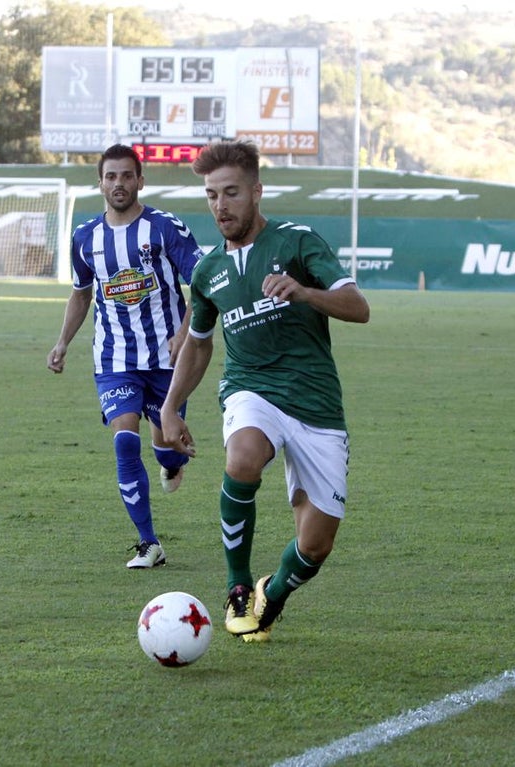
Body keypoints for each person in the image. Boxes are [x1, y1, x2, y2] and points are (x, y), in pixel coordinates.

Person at [160, 140, 370, 642]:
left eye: (231, 193)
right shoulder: (208, 271)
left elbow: (358, 307)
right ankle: (235, 585)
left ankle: (270, 595)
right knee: (243, 459)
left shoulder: (297, 243)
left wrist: (304, 292)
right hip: (251, 389)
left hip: (316, 404)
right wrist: (170, 407)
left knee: (315, 547)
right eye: (212, 195)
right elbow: (198, 344)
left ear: (257, 191)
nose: (220, 205)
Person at [47, 144, 204, 569]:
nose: (118, 183)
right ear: (100, 182)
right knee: (123, 440)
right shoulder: (85, 238)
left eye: (126, 176)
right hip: (114, 358)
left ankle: (171, 463)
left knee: (165, 446)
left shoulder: (165, 229)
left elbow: (203, 284)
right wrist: (63, 342)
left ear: (140, 181)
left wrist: (184, 332)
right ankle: (149, 543)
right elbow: (81, 294)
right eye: (110, 176)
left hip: (167, 360)